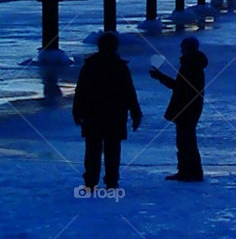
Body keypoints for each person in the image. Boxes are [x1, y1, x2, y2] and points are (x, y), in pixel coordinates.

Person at [73, 31, 142, 191]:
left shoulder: (90, 65)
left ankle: (91, 181)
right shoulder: (120, 67)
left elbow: (80, 91)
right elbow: (129, 92)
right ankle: (111, 182)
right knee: (112, 150)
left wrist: (77, 111)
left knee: (92, 150)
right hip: (115, 115)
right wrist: (135, 113)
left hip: (93, 114)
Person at [149, 36, 207, 182]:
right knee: (187, 140)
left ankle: (188, 172)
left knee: (185, 141)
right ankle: (191, 171)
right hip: (191, 107)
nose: (181, 50)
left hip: (187, 108)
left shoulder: (190, 66)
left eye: (183, 48)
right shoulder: (194, 64)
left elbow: (180, 88)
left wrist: (160, 77)